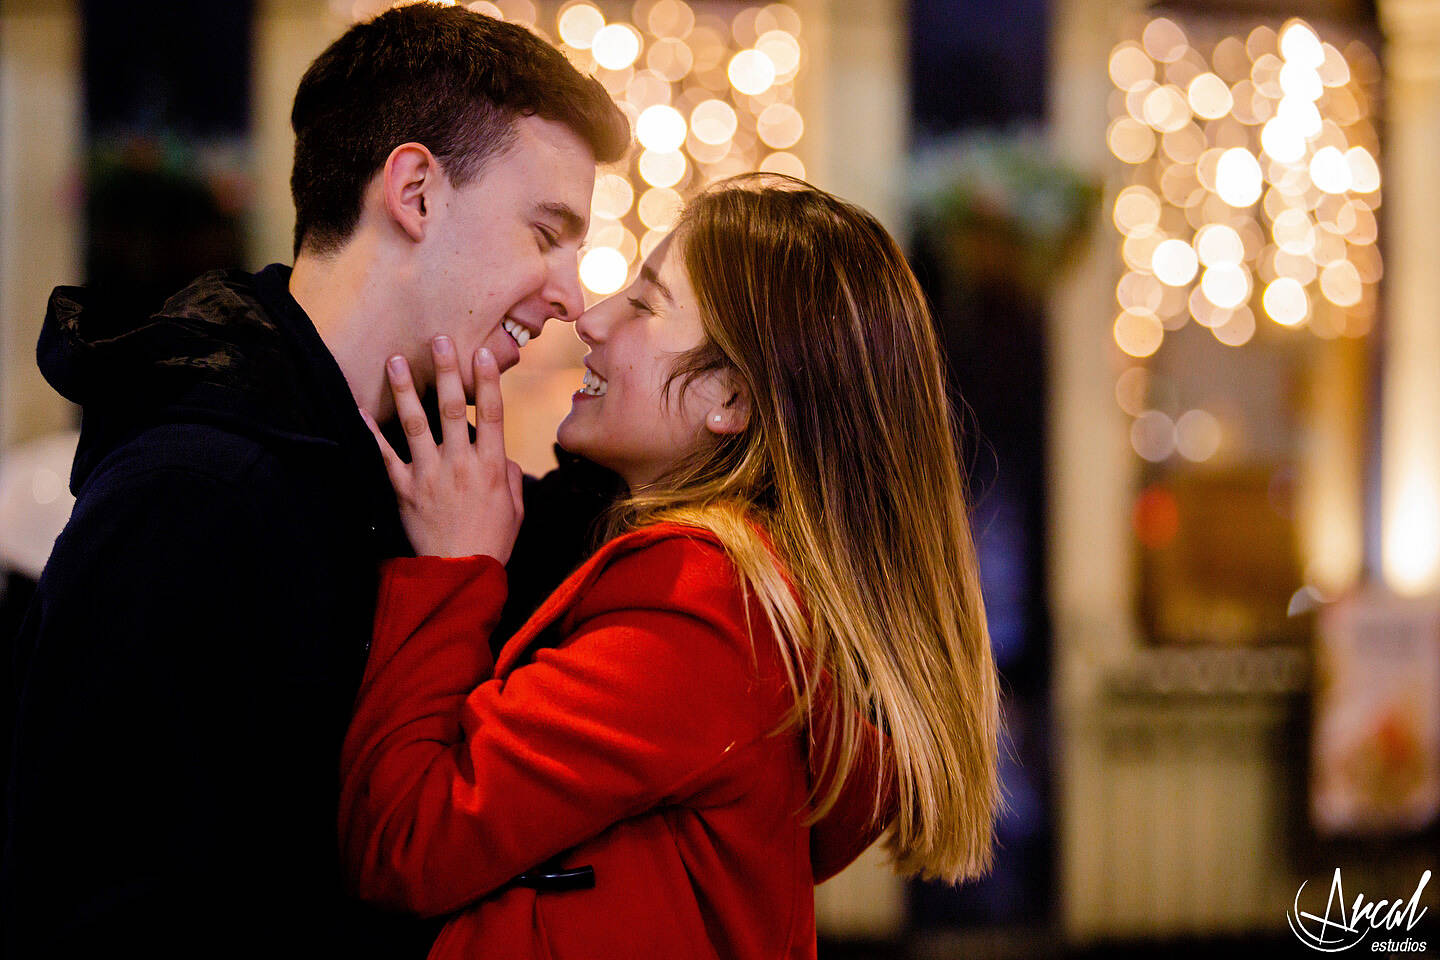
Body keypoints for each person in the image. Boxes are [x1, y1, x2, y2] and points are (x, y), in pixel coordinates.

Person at [1, 5, 628, 957]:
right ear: (415, 190)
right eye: (547, 232)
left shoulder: (416, 463)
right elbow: (99, 908)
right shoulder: (197, 487)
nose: (573, 297)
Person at [341, 174, 1003, 958]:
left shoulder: (704, 611)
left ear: (731, 399)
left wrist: (454, 565)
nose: (589, 319)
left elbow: (409, 840)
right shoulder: (752, 602)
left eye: (646, 305)